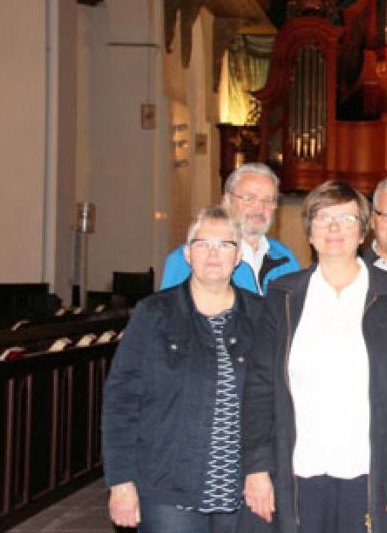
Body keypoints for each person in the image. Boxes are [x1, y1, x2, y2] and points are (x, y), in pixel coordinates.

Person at [240, 180, 387, 533]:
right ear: (309, 232)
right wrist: (256, 467)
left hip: (371, 469)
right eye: (323, 218)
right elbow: (259, 387)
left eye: (345, 219)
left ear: (362, 232)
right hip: (299, 468)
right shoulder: (282, 296)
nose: (333, 228)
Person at [102, 205, 265, 532]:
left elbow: (273, 401)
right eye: (203, 244)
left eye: (225, 245)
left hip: (244, 491)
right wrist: (121, 481)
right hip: (169, 488)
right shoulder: (154, 314)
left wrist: (266, 472)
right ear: (188, 255)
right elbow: (120, 401)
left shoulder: (260, 316)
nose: (213, 253)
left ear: (239, 258)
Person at [160, 163, 301, 294]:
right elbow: (170, 316)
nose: (259, 208)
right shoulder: (192, 259)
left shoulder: (284, 257)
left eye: (268, 200)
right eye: (249, 199)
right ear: (227, 202)